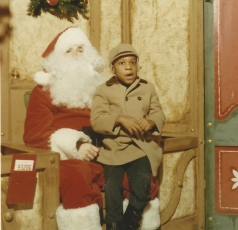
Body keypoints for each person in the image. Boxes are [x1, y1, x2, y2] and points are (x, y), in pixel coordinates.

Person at [23, 27, 107, 230]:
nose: (76, 55)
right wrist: (75, 145)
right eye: (69, 50)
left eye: (81, 49)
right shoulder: (42, 92)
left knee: (131, 171)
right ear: (57, 58)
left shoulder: (100, 89)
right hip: (64, 159)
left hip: (101, 154)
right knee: (77, 174)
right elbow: (34, 136)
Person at [91, 43, 166, 230]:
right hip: (114, 149)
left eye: (132, 63)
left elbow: (159, 114)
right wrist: (119, 119)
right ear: (112, 69)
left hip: (141, 147)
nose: (128, 67)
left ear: (138, 66)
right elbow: (97, 121)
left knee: (142, 187)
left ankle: (131, 220)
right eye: (122, 63)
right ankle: (114, 224)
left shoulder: (147, 88)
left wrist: (151, 122)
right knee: (113, 188)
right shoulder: (103, 90)